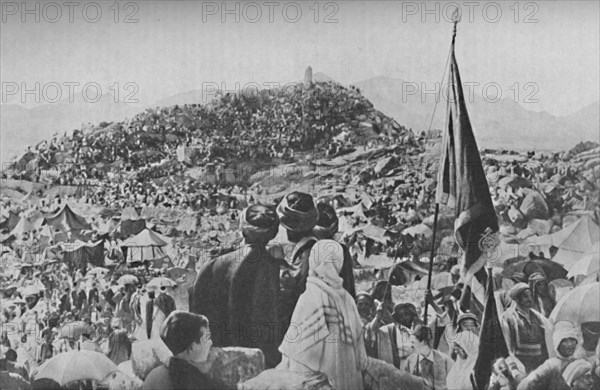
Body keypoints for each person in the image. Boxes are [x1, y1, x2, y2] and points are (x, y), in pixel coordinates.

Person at [191, 205, 283, 367]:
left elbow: (198, 322)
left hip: (218, 364)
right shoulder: (280, 271)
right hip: (264, 367)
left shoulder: (211, 267)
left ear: (242, 230)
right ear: (273, 233)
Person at [277, 240, 368, 390]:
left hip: (321, 378)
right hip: (348, 377)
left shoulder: (311, 295)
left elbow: (297, 349)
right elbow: (361, 356)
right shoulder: (348, 299)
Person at [143, 310, 218, 390]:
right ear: (192, 347)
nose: (210, 343)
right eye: (206, 339)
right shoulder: (198, 383)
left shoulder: (152, 376)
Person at [517, 321, 579, 390]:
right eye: (565, 341)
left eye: (572, 339)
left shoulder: (577, 362)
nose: (570, 344)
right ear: (557, 343)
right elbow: (527, 383)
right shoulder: (552, 365)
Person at [502, 283, 549, 373]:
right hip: (521, 364)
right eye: (525, 296)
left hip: (539, 362)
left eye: (530, 296)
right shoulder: (509, 317)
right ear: (517, 299)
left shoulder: (536, 315)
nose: (530, 299)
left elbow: (548, 331)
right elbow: (508, 347)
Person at [366, 302, 419, 370]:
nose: (404, 317)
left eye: (406, 314)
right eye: (400, 315)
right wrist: (378, 316)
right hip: (396, 370)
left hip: (414, 370)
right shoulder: (389, 329)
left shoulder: (419, 330)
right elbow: (371, 331)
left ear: (413, 315)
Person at [406, 324, 454, 390]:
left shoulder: (446, 361)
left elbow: (453, 385)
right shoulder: (409, 361)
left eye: (413, 342)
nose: (410, 346)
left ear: (423, 342)